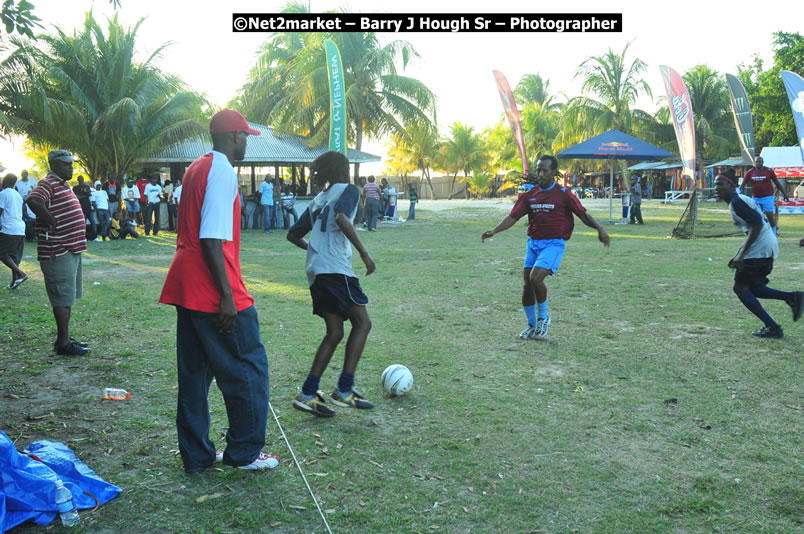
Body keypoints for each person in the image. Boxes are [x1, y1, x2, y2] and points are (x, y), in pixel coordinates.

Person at [158, 109, 278, 472]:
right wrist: (227, 296)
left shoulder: (197, 166)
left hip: (186, 285)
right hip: (212, 288)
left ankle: (196, 456)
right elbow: (211, 238)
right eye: (245, 138)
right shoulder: (223, 170)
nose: (246, 144)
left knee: (194, 375)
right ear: (234, 137)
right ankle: (245, 453)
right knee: (249, 368)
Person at [481, 155, 611, 339]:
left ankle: (543, 318)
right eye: (538, 170)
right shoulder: (530, 195)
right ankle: (532, 326)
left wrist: (600, 228)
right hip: (533, 243)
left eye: (544, 171)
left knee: (535, 278)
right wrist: (494, 231)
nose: (540, 174)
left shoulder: (564, 194)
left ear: (554, 172)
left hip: (554, 243)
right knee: (527, 284)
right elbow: (513, 217)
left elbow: (583, 215)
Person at [287, 151, 376, 418]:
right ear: (344, 170)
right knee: (363, 323)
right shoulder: (349, 190)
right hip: (336, 270)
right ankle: (344, 390)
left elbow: (293, 234)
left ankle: (307, 394)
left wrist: (315, 250)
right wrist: (364, 254)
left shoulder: (319, 198)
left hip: (317, 272)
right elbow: (340, 218)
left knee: (335, 332)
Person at [713, 173, 802, 338]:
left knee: (740, 288)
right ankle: (793, 297)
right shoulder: (738, 200)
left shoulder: (737, 201)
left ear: (732, 185)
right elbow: (755, 225)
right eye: (715, 184)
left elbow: (757, 224)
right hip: (765, 246)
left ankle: (773, 327)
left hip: (760, 249)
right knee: (753, 288)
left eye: (720, 184)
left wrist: (742, 254)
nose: (716, 188)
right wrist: (739, 253)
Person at [26, 150, 91, 356]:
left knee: (66, 297)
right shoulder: (48, 183)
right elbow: (33, 200)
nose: (71, 167)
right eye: (66, 164)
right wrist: (51, 219)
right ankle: (63, 344)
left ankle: (65, 339)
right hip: (57, 249)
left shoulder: (62, 184)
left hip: (69, 248)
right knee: (61, 297)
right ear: (54, 165)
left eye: (71, 164)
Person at [740, 156, 788, 235]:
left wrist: (785, 194)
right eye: (757, 162)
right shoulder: (750, 172)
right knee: (756, 216)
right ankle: (758, 232)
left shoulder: (769, 171)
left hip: (767, 197)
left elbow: (777, 183)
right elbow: (743, 184)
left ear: (763, 162)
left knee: (769, 216)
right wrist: (739, 193)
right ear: (754, 163)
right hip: (756, 198)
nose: (758, 163)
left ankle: (774, 232)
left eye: (760, 161)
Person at [0, 173, 28, 289]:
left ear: (5, 181)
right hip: (20, 228)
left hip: (9, 228)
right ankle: (14, 283)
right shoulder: (18, 195)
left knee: (2, 253)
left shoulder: (3, 193)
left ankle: (21, 274)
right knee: (14, 257)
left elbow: (0, 210)